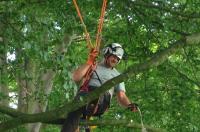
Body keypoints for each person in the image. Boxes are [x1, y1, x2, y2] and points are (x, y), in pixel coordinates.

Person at [61, 43, 138, 132]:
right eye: (114, 56)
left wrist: (129, 105)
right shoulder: (93, 65)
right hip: (84, 97)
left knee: (91, 95)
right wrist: (89, 62)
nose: (115, 60)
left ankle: (90, 107)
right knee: (73, 112)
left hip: (102, 100)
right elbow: (75, 77)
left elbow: (122, 96)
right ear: (107, 54)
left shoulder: (118, 76)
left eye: (118, 59)